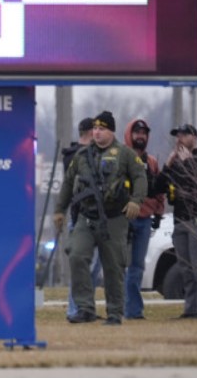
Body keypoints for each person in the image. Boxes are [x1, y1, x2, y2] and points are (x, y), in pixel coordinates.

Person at [54, 111, 147, 326]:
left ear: (111, 131)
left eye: (102, 129)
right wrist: (60, 209)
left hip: (114, 218)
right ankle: (84, 308)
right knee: (76, 255)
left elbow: (140, 178)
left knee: (113, 266)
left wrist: (136, 201)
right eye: (95, 128)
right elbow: (68, 183)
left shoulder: (125, 154)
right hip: (86, 217)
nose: (97, 132)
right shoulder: (82, 156)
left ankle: (115, 312)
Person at [156, 123, 197, 319]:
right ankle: (191, 308)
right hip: (180, 219)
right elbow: (156, 187)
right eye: (178, 136)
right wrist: (168, 164)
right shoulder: (176, 163)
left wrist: (189, 161)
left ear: (194, 137)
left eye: (184, 135)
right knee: (185, 266)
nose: (179, 139)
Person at [56, 117, 102, 320]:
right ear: (91, 133)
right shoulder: (75, 156)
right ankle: (76, 309)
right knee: (81, 266)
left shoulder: (84, 154)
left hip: (96, 217)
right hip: (81, 217)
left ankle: (86, 307)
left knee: (92, 267)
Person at [122, 118, 166, 320]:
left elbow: (159, 191)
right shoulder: (121, 158)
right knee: (121, 265)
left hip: (145, 220)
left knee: (137, 267)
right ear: (129, 135)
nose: (141, 136)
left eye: (144, 133)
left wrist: (158, 213)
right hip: (124, 219)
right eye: (137, 132)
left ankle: (133, 311)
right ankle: (121, 307)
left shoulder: (152, 163)